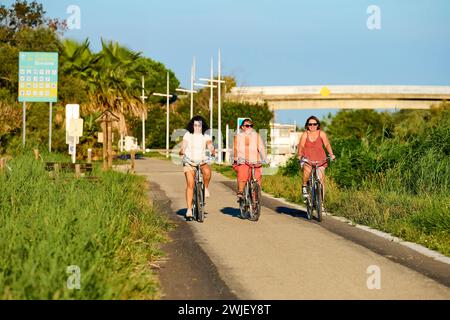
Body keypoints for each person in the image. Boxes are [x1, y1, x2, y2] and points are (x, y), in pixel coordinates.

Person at [179, 116, 216, 219]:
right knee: (190, 184)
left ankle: (206, 188)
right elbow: (184, 145)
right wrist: (182, 150)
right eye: (195, 125)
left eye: (199, 125)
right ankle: (189, 209)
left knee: (207, 172)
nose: (197, 127)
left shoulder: (205, 136)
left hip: (202, 160)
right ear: (192, 126)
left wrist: (212, 150)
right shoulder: (188, 135)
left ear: (202, 126)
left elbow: (209, 144)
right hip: (189, 162)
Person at [297, 116, 335, 202]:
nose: (312, 126)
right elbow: (301, 145)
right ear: (307, 125)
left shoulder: (321, 133)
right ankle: (304, 186)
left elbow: (327, 144)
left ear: (318, 125)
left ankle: (321, 203)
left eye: (314, 124)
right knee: (306, 172)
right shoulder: (305, 134)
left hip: (320, 159)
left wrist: (331, 154)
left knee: (321, 181)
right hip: (308, 159)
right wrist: (299, 155)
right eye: (310, 124)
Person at [233, 118, 267, 200]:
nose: (249, 127)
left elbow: (261, 148)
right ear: (242, 127)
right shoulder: (239, 137)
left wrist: (265, 158)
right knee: (243, 173)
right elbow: (235, 149)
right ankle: (240, 191)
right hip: (243, 160)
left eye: (251, 126)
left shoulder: (256, 136)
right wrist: (235, 158)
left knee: (257, 179)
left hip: (255, 161)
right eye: (247, 126)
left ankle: (255, 200)